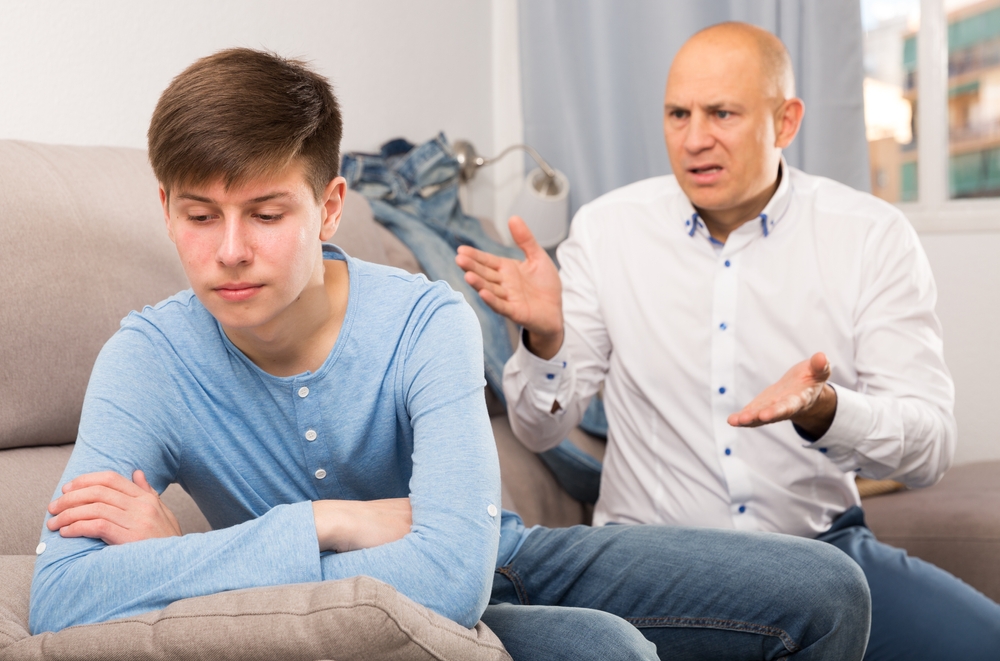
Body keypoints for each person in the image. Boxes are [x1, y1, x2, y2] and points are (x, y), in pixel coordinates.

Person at [30, 47, 873, 661]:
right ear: (165, 209)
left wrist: (174, 557)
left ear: (329, 208)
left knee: (827, 591)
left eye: (267, 213)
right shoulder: (147, 358)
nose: (230, 251)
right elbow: (59, 596)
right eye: (199, 215)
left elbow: (453, 574)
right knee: (604, 650)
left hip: (495, 555)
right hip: (348, 613)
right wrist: (329, 521)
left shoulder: (424, 318)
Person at [457, 21, 1000, 661]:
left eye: (722, 113)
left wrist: (828, 411)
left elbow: (930, 448)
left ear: (785, 121)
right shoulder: (608, 232)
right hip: (656, 568)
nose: (694, 140)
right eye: (678, 114)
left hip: (821, 551)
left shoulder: (870, 236)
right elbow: (539, 428)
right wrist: (546, 341)